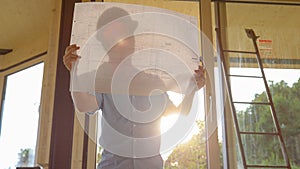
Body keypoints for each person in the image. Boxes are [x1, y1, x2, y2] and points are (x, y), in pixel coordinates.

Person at [63, 7, 205, 169]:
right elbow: (83, 105)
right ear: (104, 43)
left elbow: (180, 111)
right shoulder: (102, 80)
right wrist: (74, 71)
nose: (120, 42)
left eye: (124, 34)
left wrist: (192, 88)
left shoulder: (153, 79)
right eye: (112, 37)